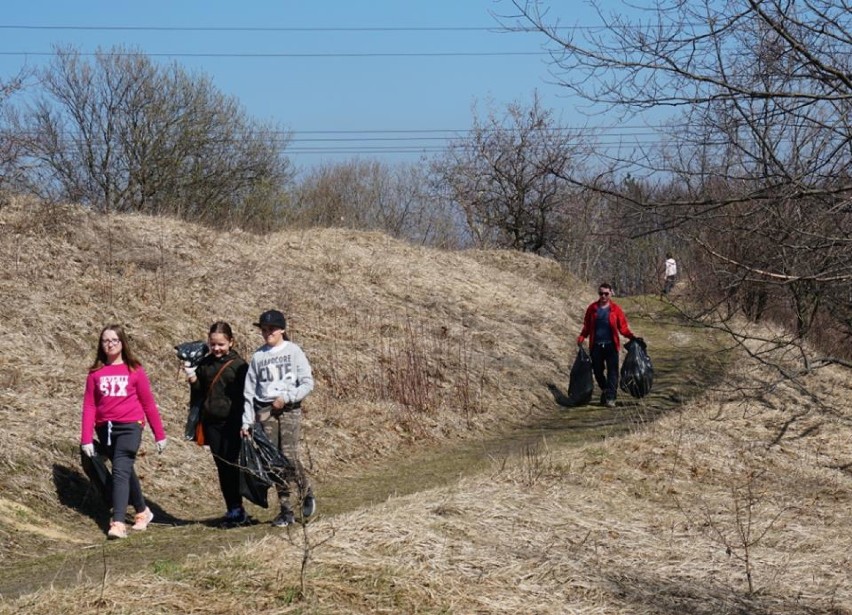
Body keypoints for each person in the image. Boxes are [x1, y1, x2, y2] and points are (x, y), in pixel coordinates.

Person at [80, 324, 167, 539]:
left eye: (114, 340)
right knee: (125, 470)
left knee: (120, 469)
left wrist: (159, 434)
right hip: (105, 429)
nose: (109, 344)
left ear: (122, 343)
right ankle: (142, 511)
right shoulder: (95, 373)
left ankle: (118, 522)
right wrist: (86, 438)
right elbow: (89, 406)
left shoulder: (134, 370)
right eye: (105, 341)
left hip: (130, 426)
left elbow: (148, 404)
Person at [241, 309, 316, 527]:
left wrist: (287, 397)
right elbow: (249, 391)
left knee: (289, 456)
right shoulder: (258, 357)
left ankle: (305, 491)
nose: (267, 333)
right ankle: (286, 509)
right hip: (265, 411)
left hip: (289, 408)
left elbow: (307, 383)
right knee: (273, 460)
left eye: (272, 329)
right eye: (264, 330)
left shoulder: (294, 352)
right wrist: (246, 421)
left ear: (282, 329)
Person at [184, 321, 249, 526]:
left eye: (221, 344)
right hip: (211, 424)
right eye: (213, 344)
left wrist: (246, 423)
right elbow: (199, 394)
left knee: (233, 466)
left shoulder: (240, 366)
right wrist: (193, 378)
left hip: (233, 424)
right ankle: (232, 508)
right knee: (222, 466)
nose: (216, 349)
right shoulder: (205, 364)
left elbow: (246, 396)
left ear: (231, 342)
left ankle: (238, 508)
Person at [576, 284, 639, 408]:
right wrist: (582, 337)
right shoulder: (592, 308)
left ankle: (611, 398)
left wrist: (632, 337)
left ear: (611, 293)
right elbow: (587, 326)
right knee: (598, 371)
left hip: (611, 346)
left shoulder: (616, 309)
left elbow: (623, 328)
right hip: (596, 346)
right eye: (601, 294)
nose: (603, 296)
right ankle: (605, 390)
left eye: (606, 293)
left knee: (613, 373)